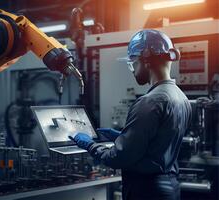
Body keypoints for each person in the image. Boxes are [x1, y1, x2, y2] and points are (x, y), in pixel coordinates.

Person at [69, 29, 192, 200]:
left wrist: (90, 145)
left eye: (132, 62)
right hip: (169, 187)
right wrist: (123, 137)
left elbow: (119, 158)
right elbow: (159, 143)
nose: (132, 69)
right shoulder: (181, 97)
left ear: (146, 60)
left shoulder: (150, 101)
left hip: (147, 190)